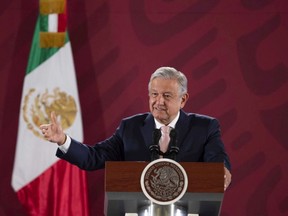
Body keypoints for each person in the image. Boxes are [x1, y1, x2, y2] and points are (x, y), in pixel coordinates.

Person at [40, 66, 232, 190]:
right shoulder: (130, 128)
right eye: (154, 94)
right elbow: (93, 158)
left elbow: (218, 162)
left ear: (183, 100)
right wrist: (63, 140)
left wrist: (221, 172)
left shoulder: (205, 127)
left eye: (166, 96)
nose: (158, 101)